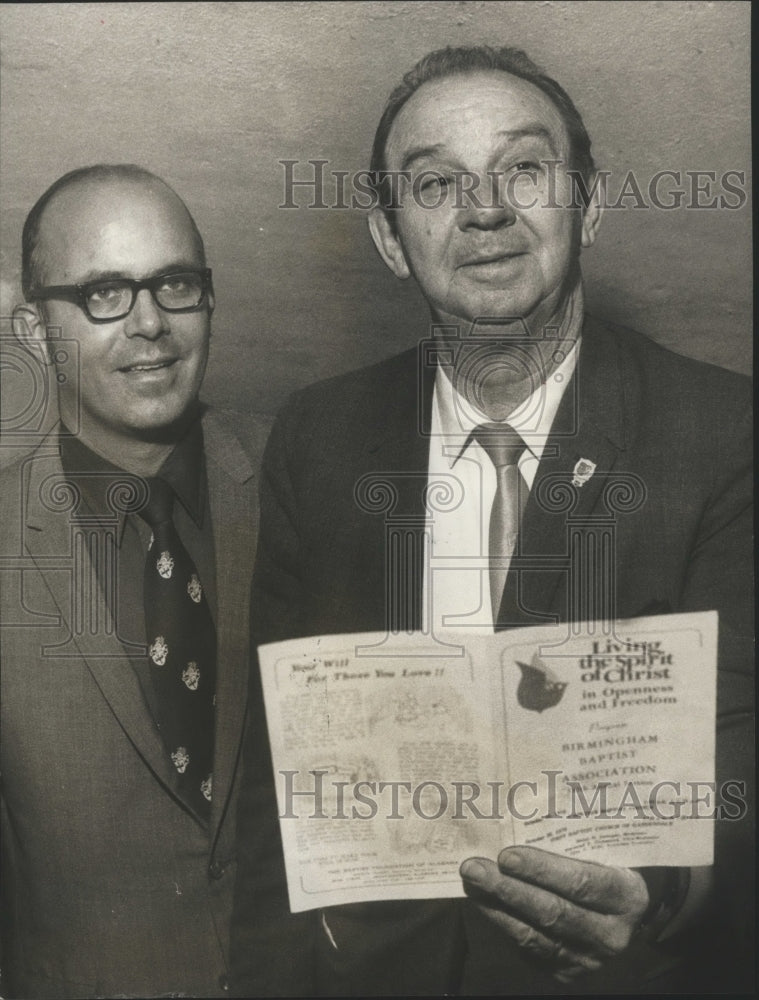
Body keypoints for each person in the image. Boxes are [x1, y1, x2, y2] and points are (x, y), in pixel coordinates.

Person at [230, 47, 753, 994]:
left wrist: (666, 889)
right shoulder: (319, 438)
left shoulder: (721, 433)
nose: (484, 211)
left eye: (522, 168)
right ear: (391, 239)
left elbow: (742, 756)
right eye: (434, 183)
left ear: (587, 203)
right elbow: (279, 786)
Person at [0, 165, 263, 998]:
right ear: (33, 332)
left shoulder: (301, 478)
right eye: (105, 293)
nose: (150, 323)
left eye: (175, 284)